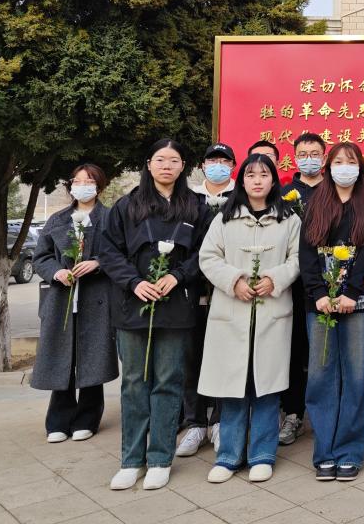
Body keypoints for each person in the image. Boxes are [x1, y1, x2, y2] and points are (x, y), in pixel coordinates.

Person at [101, 139, 212, 491]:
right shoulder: (127, 205)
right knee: (134, 382)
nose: (167, 166)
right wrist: (134, 282)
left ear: (183, 167)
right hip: (133, 306)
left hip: (177, 306)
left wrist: (178, 276)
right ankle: (131, 460)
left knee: (168, 381)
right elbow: (108, 252)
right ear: (148, 164)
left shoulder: (196, 206)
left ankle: (161, 458)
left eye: (174, 160)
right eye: (160, 160)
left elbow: (206, 252)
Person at [198, 153, 302, 483]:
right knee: (233, 387)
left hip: (272, 312)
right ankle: (228, 456)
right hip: (233, 311)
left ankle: (262, 454)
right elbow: (208, 257)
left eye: (264, 174)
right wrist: (234, 281)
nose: (257, 180)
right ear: (242, 180)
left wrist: (275, 279)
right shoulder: (225, 218)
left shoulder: (289, 219)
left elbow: (298, 258)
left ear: (274, 180)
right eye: (251, 175)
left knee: (266, 387)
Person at [300, 142, 364, 481]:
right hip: (319, 303)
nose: (344, 167)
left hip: (357, 302)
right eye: (338, 162)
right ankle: (325, 452)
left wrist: (350, 292)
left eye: (350, 161)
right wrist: (319, 294)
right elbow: (306, 252)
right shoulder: (315, 202)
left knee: (356, 376)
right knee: (321, 375)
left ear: (360, 167)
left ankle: (350, 451)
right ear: (328, 167)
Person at [31, 164, 117, 443]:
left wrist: (98, 263)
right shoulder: (57, 219)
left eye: (89, 181)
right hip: (62, 299)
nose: (82, 186)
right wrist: (56, 272)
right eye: (77, 181)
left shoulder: (111, 218)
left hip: (97, 299)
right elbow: (41, 257)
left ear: (99, 185)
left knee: (92, 358)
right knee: (62, 357)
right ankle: (58, 419)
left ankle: (88, 417)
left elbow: (122, 253)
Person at [178, 142, 236, 457]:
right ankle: (195, 422)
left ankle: (222, 421)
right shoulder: (188, 198)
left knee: (227, 357)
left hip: (229, 292)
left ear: (233, 166)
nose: (218, 166)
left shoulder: (241, 197)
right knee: (192, 357)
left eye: (224, 161)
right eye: (212, 160)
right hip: (192, 291)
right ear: (202, 166)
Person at [277, 132, 327, 446]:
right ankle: (293, 414)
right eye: (303, 154)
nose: (309, 159)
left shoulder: (334, 189)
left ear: (324, 157)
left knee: (323, 354)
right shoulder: (283, 193)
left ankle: (324, 416)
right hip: (292, 286)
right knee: (293, 351)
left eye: (314, 153)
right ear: (294, 157)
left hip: (328, 284)